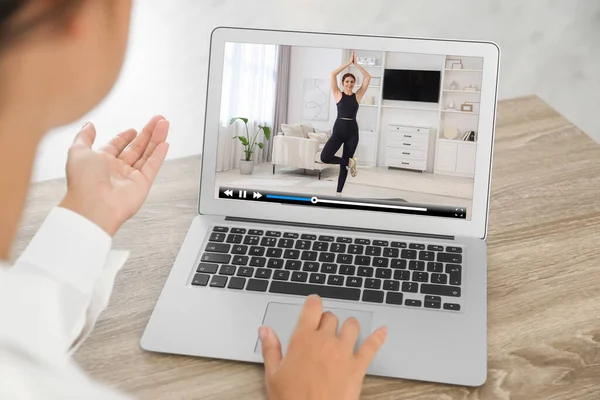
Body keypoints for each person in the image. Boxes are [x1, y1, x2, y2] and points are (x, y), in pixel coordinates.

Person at [0, 1, 388, 399]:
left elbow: (19, 327)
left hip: (350, 129)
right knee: (331, 158)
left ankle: (345, 173)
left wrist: (88, 215)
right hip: (342, 130)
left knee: (338, 164)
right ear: (76, 14)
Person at [320, 50, 372, 196]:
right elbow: (332, 74)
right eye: (347, 81)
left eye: (352, 81)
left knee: (344, 167)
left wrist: (356, 65)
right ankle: (349, 162)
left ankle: (338, 193)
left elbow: (368, 77)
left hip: (352, 133)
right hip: (339, 131)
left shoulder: (358, 95)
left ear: (354, 83)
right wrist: (348, 64)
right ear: (343, 83)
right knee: (325, 157)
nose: (349, 84)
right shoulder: (338, 94)